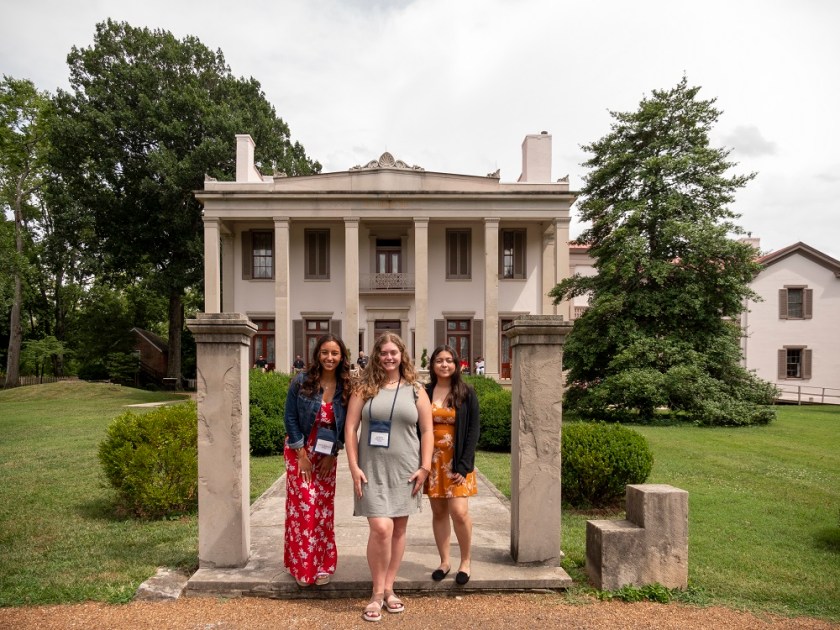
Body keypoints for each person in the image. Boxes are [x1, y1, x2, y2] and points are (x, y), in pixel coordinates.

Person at [344, 333, 433, 622]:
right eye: (384, 353)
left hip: (406, 470)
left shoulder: (416, 390)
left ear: (402, 354)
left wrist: (425, 467)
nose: (389, 357)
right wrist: (354, 466)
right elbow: (350, 428)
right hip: (371, 470)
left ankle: (389, 588)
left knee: (398, 530)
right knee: (381, 528)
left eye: (394, 352)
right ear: (376, 356)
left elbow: (427, 431)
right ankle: (376, 592)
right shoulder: (364, 388)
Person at [283, 334, 352, 588]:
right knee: (304, 508)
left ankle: (323, 564)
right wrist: (301, 455)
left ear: (342, 357)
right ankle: (302, 565)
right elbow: (290, 417)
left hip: (326, 454)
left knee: (323, 510)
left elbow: (347, 425)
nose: (329, 358)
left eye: (334, 353)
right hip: (300, 451)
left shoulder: (346, 386)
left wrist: (333, 454)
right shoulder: (302, 381)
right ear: (317, 354)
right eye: (325, 352)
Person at [424, 345, 480, 586]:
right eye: (439, 360)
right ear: (432, 365)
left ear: (456, 365)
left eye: (449, 360)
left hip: (457, 463)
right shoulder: (424, 392)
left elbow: (473, 430)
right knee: (438, 513)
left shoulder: (466, 393)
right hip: (433, 462)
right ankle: (444, 561)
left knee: (459, 511)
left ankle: (465, 561)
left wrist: (464, 465)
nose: (444, 364)